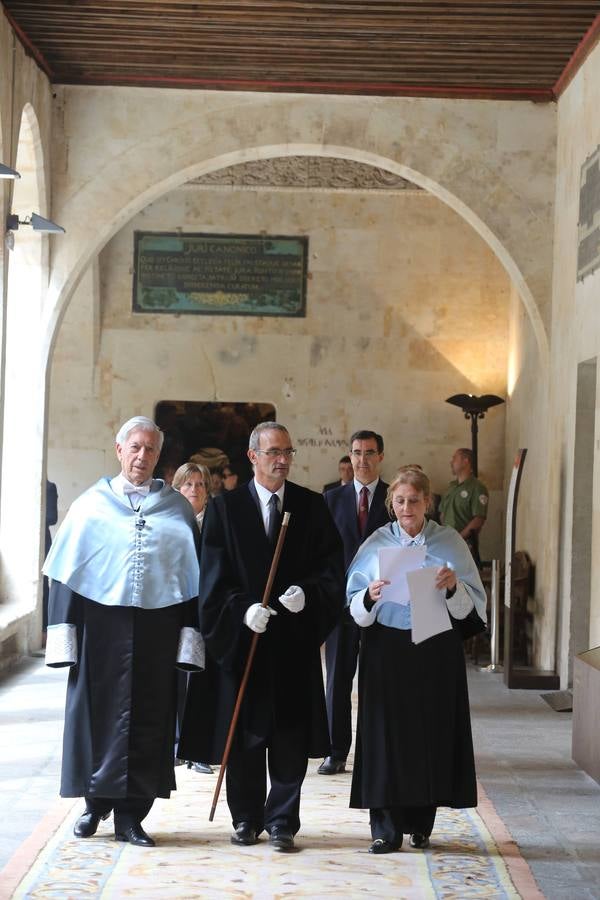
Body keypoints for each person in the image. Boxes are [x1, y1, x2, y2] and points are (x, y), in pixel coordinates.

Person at [179, 421, 344, 852]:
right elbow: (213, 579)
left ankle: (283, 820)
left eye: (287, 452)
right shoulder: (225, 509)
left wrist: (306, 595)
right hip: (244, 642)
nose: (282, 460)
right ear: (253, 456)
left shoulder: (312, 506)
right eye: (273, 452)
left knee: (289, 735)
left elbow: (331, 571)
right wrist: (241, 609)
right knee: (246, 736)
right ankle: (246, 818)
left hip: (292, 642)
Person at [43, 416, 203, 848]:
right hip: (101, 631)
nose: (141, 455)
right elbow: (67, 577)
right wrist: (63, 639)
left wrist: (190, 640)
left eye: (150, 449)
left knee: (150, 720)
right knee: (97, 717)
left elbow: (191, 581)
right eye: (135, 447)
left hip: (158, 630)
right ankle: (95, 805)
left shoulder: (177, 509)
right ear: (119, 450)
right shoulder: (90, 505)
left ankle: (132, 816)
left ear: (158, 455)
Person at [346, 466, 486, 854]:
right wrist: (371, 595)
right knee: (384, 734)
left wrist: (454, 584)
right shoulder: (375, 543)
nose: (407, 507)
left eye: (415, 500)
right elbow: (354, 604)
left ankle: (422, 823)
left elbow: (473, 607)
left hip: (435, 646)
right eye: (400, 500)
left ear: (428, 502)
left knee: (431, 733)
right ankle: (384, 828)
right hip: (386, 649)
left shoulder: (450, 542)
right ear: (392, 503)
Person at [318, 431, 389, 776]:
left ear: (381, 457)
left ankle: (377, 750)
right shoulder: (331, 499)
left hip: (385, 605)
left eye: (370, 453)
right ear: (350, 456)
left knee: (379, 679)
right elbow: (322, 555)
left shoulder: (395, 499)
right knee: (338, 680)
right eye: (357, 453)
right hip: (341, 607)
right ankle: (336, 751)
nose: (363, 460)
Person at [172, 461, 214, 775]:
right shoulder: (170, 521)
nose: (194, 490)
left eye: (200, 485)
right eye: (188, 484)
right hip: (175, 608)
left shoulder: (216, 521)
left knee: (202, 679)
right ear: (178, 488)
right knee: (175, 678)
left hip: (207, 609)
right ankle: (175, 745)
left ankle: (199, 748)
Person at [439, 448, 489, 565]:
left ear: (465, 461)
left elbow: (478, 519)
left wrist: (459, 538)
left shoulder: (477, 488)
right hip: (446, 542)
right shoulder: (451, 487)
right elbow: (442, 513)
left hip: (465, 544)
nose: (451, 462)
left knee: (461, 578)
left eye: (454, 459)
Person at [42, 479, 58, 636]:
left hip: (43, 538)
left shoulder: (49, 487)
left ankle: (44, 627)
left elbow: (52, 518)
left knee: (43, 583)